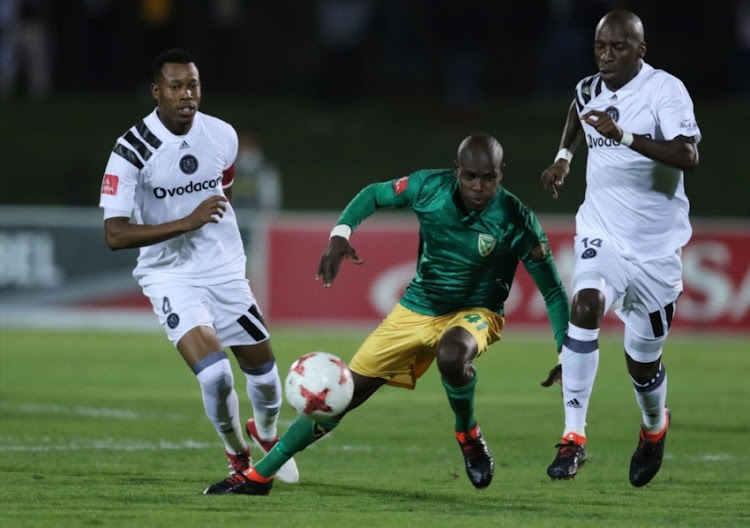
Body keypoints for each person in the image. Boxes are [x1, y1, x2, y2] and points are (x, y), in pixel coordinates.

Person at [214, 132, 570, 495]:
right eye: (470, 177)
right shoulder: (426, 187)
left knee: (452, 353)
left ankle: (468, 433)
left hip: (477, 312)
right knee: (340, 395)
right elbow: (373, 194)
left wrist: (565, 353)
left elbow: (554, 291)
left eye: (488, 178)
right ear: (456, 170)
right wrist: (341, 233)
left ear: (501, 174)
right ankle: (260, 477)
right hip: (416, 307)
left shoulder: (517, 220)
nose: (479, 187)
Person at [97, 49, 299, 495]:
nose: (187, 95)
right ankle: (239, 458)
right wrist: (185, 222)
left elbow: (220, 192)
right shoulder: (131, 150)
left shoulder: (222, 135)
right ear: (156, 92)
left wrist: (204, 231)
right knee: (215, 374)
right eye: (176, 87)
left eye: (193, 85)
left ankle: (267, 433)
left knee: (265, 378)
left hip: (224, 269)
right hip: (169, 275)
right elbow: (114, 234)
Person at [539, 10, 701, 486]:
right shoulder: (590, 87)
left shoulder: (664, 91)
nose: (607, 56)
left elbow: (688, 155)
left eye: (618, 48)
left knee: (642, 364)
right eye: (600, 47)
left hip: (655, 251)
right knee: (585, 305)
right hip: (601, 232)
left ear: (641, 50)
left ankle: (654, 427)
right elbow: (578, 108)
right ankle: (573, 439)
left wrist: (625, 136)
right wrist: (564, 158)